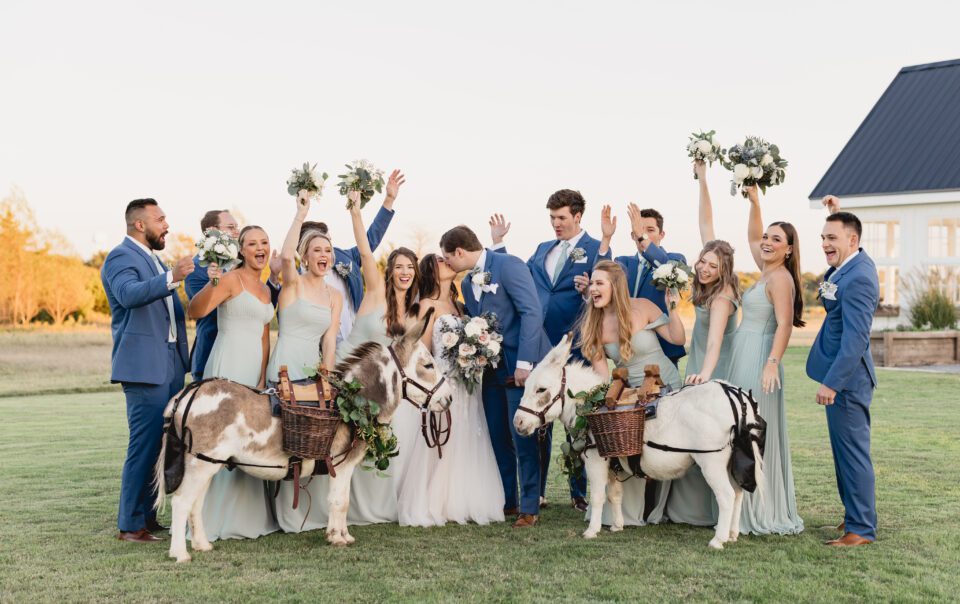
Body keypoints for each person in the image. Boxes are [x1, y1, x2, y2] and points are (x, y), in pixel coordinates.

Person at [489, 189, 615, 512]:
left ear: (577, 216)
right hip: (541, 349)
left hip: (578, 346)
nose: (556, 224)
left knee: (579, 424)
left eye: (561, 218)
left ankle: (579, 493)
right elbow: (521, 279)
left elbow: (606, 279)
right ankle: (539, 493)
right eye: (552, 218)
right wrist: (499, 244)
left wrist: (604, 245)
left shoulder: (594, 248)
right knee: (540, 419)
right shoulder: (542, 249)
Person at [440, 225, 551, 528]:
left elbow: (531, 312)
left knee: (523, 435)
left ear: (459, 252)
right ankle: (508, 501)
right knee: (497, 436)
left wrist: (525, 363)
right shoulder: (466, 284)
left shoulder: (509, 265)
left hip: (521, 367)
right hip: (490, 370)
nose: (447, 263)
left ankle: (530, 507)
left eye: (447, 258)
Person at [101, 198, 193, 543]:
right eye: (160, 219)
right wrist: (172, 277)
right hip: (143, 366)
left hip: (170, 363)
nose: (166, 225)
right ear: (140, 224)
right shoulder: (121, 256)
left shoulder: (155, 260)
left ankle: (148, 517)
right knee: (143, 445)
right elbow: (128, 294)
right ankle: (130, 525)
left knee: (162, 444)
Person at [576, 260, 685, 527]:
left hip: (666, 385)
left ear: (615, 286)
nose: (592, 289)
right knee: (631, 446)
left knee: (669, 446)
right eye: (592, 284)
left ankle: (666, 507)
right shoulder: (593, 324)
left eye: (599, 283)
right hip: (631, 395)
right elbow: (603, 379)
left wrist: (672, 308)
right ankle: (631, 511)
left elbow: (677, 339)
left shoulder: (643, 306)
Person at [400, 253, 506, 526]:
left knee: (468, 435)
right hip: (444, 381)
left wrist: (475, 354)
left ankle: (465, 499)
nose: (447, 261)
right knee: (446, 438)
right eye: (440, 260)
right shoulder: (427, 305)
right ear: (430, 271)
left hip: (469, 383)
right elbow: (422, 351)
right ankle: (437, 502)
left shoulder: (460, 306)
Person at [187, 225, 278, 541]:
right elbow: (195, 310)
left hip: (252, 372)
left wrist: (262, 375)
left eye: (264, 242)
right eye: (252, 243)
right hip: (228, 363)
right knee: (220, 438)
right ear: (241, 250)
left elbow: (264, 336)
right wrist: (212, 280)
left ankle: (247, 518)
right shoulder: (229, 279)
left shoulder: (265, 289)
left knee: (248, 437)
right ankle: (208, 518)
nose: (260, 248)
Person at [664, 160, 742, 526]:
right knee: (692, 433)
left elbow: (714, 343)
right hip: (700, 362)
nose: (704, 268)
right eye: (702, 262)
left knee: (708, 437)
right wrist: (703, 180)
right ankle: (691, 510)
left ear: (724, 269)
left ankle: (714, 511)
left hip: (715, 367)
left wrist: (704, 375)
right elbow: (706, 224)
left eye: (713, 265)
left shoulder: (723, 295)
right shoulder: (706, 282)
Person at [724, 184, 805, 535]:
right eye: (768, 237)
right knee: (738, 428)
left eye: (776, 239)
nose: (767, 242)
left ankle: (761, 509)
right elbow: (752, 235)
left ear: (789, 250)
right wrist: (755, 202)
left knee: (753, 431)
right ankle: (735, 505)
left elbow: (785, 324)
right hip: (744, 352)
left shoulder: (781, 278)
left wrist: (772, 362)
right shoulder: (766, 270)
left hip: (760, 358)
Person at [266, 194, 344, 533]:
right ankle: (282, 513)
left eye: (328, 250)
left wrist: (328, 377)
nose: (324, 255)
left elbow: (330, 340)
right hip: (286, 363)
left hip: (312, 368)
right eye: (317, 250)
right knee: (283, 434)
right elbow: (285, 256)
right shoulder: (293, 284)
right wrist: (300, 214)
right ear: (306, 256)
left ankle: (309, 513)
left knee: (311, 436)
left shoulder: (334, 296)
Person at [807, 195, 879, 547]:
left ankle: (861, 529)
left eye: (832, 238)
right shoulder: (850, 265)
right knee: (843, 454)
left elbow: (856, 341)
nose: (825, 244)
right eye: (823, 238)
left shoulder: (860, 277)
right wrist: (836, 216)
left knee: (853, 454)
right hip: (841, 377)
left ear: (853, 240)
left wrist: (832, 384)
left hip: (848, 380)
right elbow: (833, 288)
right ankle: (853, 515)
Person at [330, 192, 402, 524]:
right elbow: (364, 250)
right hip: (344, 373)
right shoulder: (375, 291)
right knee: (338, 441)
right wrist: (357, 212)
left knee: (369, 443)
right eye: (398, 267)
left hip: (375, 386)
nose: (404, 273)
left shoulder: (412, 309)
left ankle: (370, 508)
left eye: (410, 268)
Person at [268, 170, 405, 341]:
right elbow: (286, 323)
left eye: (328, 245)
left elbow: (370, 239)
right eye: (319, 247)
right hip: (317, 351)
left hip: (354, 343)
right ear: (304, 249)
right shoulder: (294, 281)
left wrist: (389, 200)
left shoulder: (345, 257)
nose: (327, 251)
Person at [613, 205, 687, 366]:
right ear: (632, 235)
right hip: (628, 349)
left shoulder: (675, 259)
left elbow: (669, 270)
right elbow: (603, 279)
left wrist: (642, 236)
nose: (644, 235)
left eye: (650, 230)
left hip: (664, 348)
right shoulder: (622, 262)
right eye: (640, 231)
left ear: (662, 234)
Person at [184, 209, 240, 381]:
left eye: (237, 227)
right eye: (230, 227)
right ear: (211, 231)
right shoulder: (196, 268)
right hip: (211, 355)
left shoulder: (240, 264)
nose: (237, 231)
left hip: (240, 357)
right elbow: (206, 309)